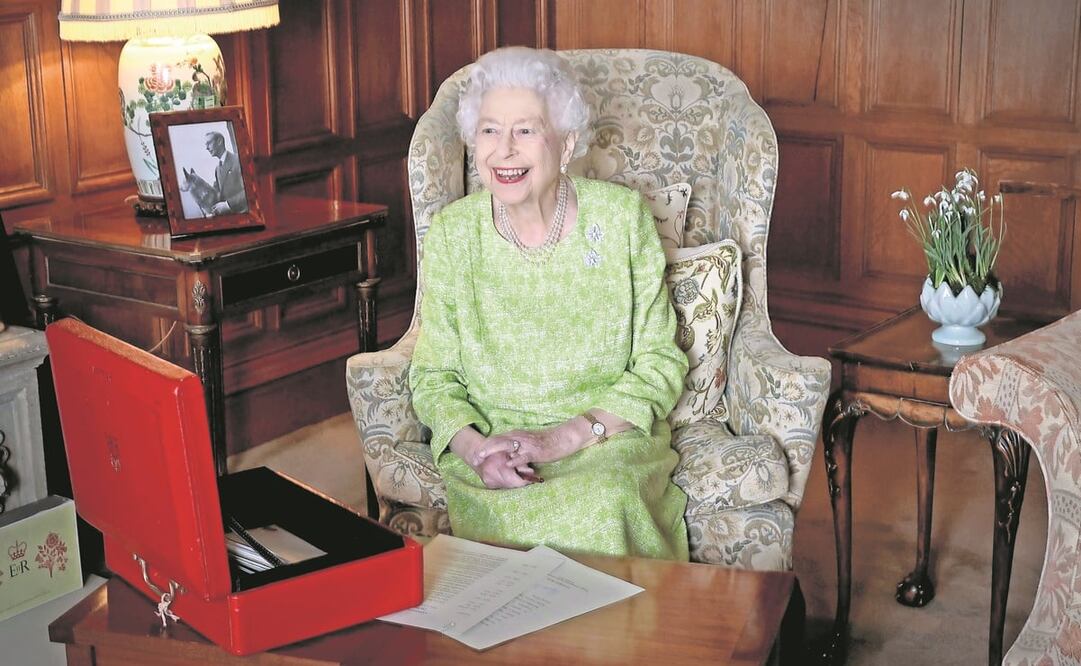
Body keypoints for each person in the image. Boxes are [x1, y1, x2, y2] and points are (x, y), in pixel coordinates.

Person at [408, 47, 690, 560]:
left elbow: (659, 363)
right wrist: (477, 451)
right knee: (504, 535)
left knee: (605, 506)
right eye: (490, 130)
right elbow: (433, 377)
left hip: (605, 439)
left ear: (566, 144)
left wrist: (561, 439)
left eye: (525, 130)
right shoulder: (453, 233)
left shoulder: (622, 218)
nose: (504, 150)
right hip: (495, 447)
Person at [204, 131, 248, 215]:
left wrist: (228, 205)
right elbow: (218, 195)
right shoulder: (217, 169)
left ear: (219, 141)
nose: (206, 148)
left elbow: (248, 191)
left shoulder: (238, 160)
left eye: (209, 143)